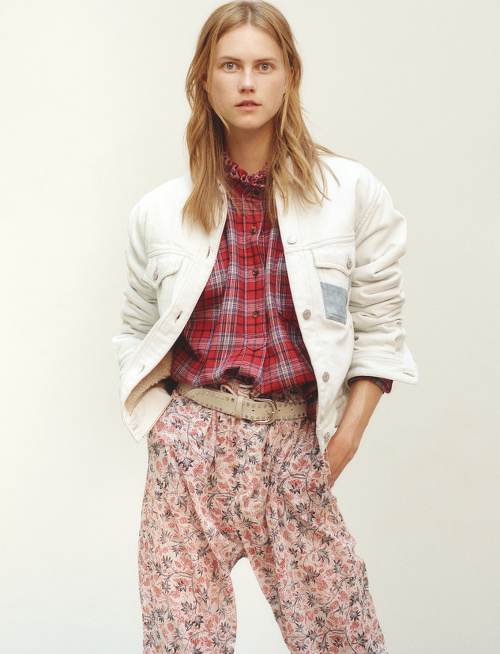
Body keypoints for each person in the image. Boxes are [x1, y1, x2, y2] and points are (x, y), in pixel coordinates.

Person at [112, 2, 418, 652]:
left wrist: (342, 445)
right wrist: (166, 431)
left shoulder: (351, 193)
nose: (247, 82)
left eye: (264, 66)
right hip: (192, 446)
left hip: (294, 442)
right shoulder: (159, 212)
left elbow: (380, 328)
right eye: (230, 66)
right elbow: (136, 328)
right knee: (182, 644)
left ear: (289, 76)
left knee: (344, 637)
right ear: (204, 80)